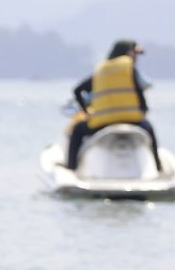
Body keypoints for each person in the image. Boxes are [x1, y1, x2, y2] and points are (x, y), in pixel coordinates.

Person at [65, 39, 162, 172]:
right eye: (135, 53)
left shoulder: (101, 70)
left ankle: (71, 167)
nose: (136, 58)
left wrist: (86, 111)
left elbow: (78, 90)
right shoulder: (129, 68)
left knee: (77, 131)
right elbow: (143, 89)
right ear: (128, 52)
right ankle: (158, 167)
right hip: (133, 121)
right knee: (150, 130)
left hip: (101, 123)